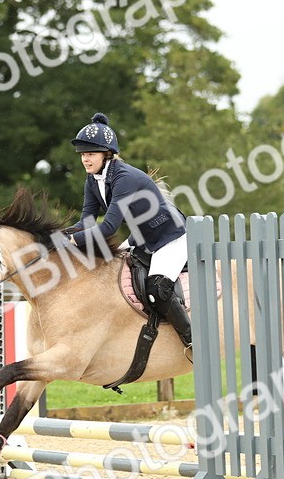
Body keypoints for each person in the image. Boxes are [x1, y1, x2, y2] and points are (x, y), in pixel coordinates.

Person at [66, 112, 191, 354]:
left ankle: (192, 341)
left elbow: (108, 228)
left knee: (157, 289)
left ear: (107, 153)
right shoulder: (92, 180)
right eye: (82, 154)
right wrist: (56, 236)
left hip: (170, 237)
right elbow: (86, 221)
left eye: (90, 153)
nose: (85, 159)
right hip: (142, 238)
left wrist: (70, 240)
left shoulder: (124, 177)